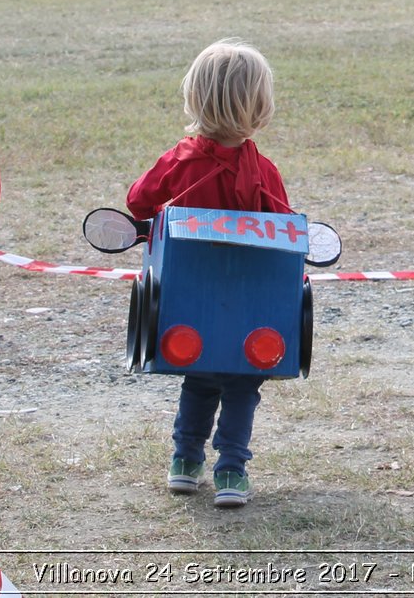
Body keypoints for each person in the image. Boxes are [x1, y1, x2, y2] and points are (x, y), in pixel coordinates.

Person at [127, 38, 293, 508]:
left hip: (188, 302)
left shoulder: (177, 164)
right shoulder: (263, 171)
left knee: (198, 378)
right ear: (260, 105)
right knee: (242, 381)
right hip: (247, 303)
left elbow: (138, 203)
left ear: (194, 96)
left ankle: (185, 460)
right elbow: (284, 234)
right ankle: (231, 469)